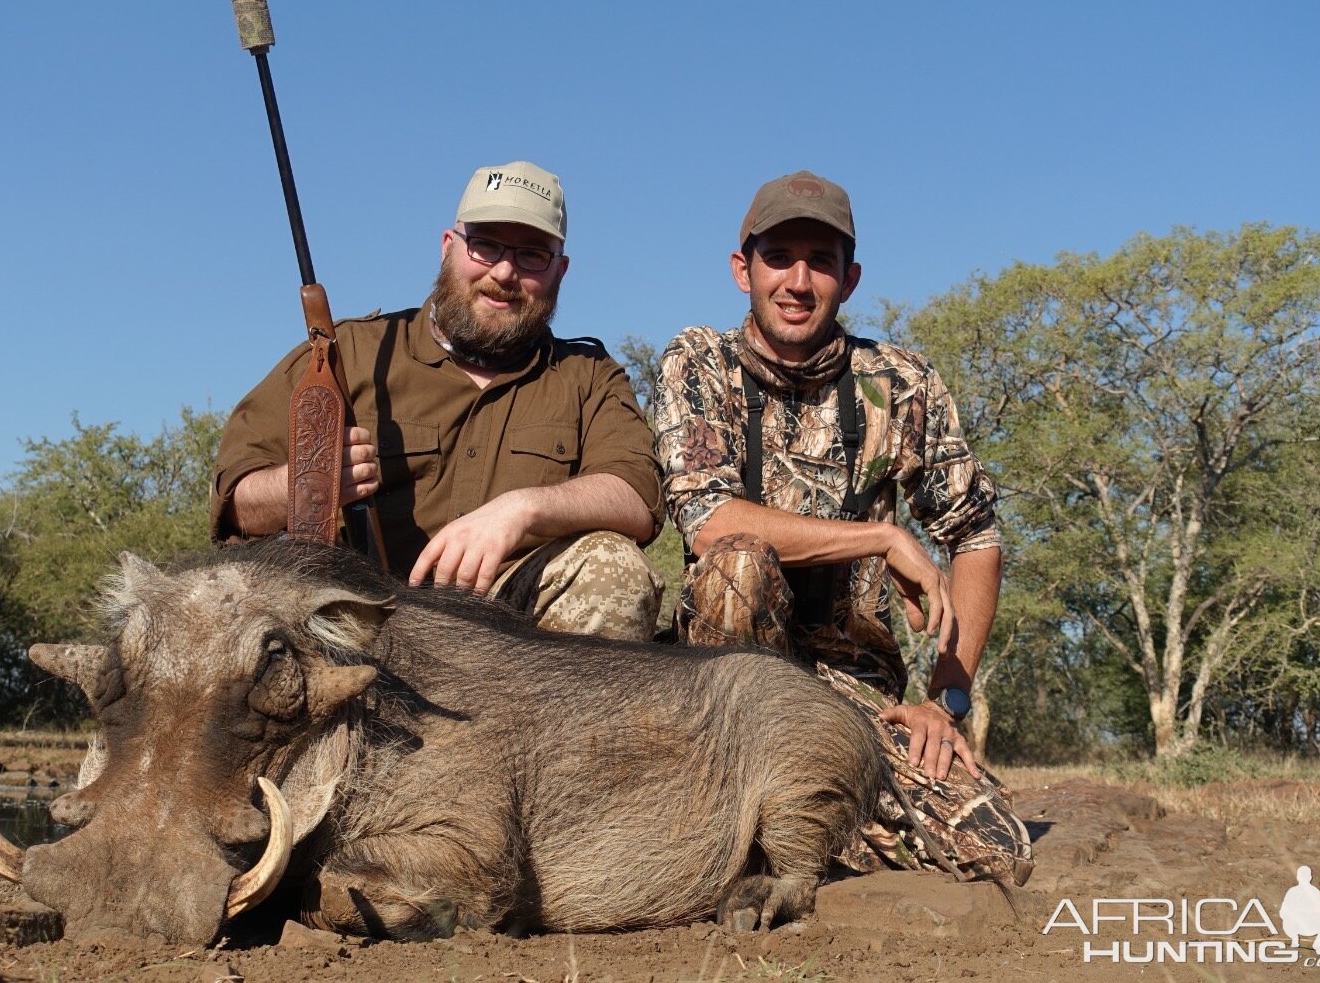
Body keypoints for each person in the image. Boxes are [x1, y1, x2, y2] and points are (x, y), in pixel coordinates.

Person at [650, 170, 1033, 883]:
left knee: (995, 850)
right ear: (743, 270)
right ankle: (728, 821)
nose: (798, 281)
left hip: (851, 690)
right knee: (738, 565)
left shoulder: (901, 383)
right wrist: (885, 538)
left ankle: (798, 823)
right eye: (778, 258)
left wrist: (946, 699)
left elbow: (975, 535)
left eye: (820, 261)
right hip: (716, 691)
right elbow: (707, 520)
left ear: (848, 279)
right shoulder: (698, 361)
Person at [212, 160, 665, 640]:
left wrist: (522, 509)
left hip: (522, 648)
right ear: (450, 246)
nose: (505, 272)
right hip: (360, 622)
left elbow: (637, 496)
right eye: (486, 245)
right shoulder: (350, 353)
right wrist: (308, 481)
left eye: (532, 255)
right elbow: (235, 501)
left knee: (614, 568)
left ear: (560, 270)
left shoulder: (587, 376)